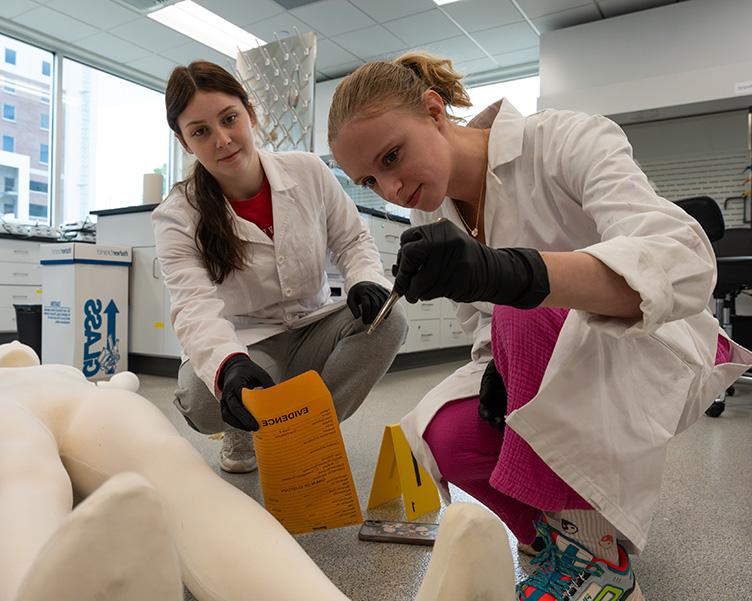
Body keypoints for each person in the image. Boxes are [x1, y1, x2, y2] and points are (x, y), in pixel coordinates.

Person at [328, 52, 752, 599]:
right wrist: (495, 370)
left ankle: (601, 567)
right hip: (541, 357)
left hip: (656, 345)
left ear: (434, 111)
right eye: (369, 179)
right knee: (444, 433)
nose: (389, 187)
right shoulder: (430, 213)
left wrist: (516, 274)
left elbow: (683, 261)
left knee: (521, 309)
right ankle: (557, 541)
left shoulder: (566, 140)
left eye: (392, 156)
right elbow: (484, 332)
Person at [0, 340, 517, 601]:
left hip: (87, 402)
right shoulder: (49, 372)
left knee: (184, 486)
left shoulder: (38, 373)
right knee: (189, 490)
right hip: (94, 401)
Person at [153, 61, 408, 473]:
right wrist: (228, 365)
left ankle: (306, 434)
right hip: (249, 341)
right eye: (200, 131)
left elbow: (352, 239)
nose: (222, 140)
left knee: (389, 318)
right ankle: (243, 423)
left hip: (313, 325)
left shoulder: (307, 171)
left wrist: (364, 279)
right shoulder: (178, 214)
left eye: (229, 119)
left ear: (250, 114)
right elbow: (192, 306)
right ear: (185, 143)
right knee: (203, 401)